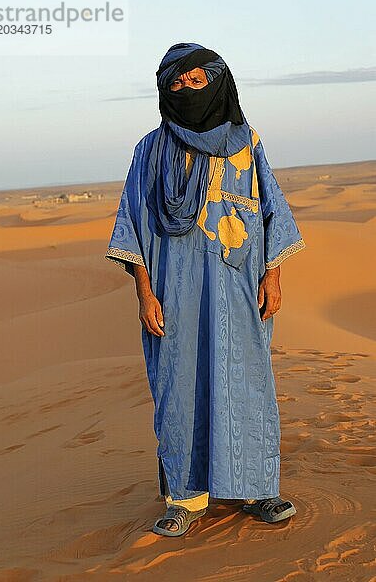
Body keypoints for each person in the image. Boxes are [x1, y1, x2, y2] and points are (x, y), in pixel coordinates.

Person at [105, 42, 305, 537]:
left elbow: (273, 211)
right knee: (179, 387)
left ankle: (259, 489)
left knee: (248, 382)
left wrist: (273, 275)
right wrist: (144, 293)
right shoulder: (149, 150)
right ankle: (185, 498)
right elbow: (133, 224)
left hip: (239, 286)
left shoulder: (247, 142)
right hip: (174, 292)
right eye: (177, 82)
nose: (187, 90)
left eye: (198, 80)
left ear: (219, 83)